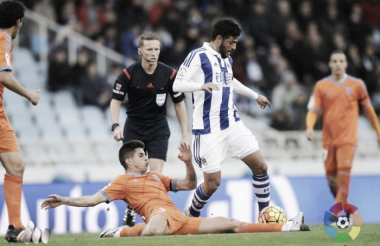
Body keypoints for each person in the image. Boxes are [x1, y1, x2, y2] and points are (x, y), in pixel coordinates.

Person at [41, 140, 309, 238]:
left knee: (229, 223)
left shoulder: (158, 177)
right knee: (154, 228)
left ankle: (287, 227)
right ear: (128, 161)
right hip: (157, 214)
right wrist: (63, 200)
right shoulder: (121, 182)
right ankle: (123, 232)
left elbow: (191, 184)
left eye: (146, 154)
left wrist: (188, 164)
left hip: (179, 218)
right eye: (141, 155)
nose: (147, 158)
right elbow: (91, 200)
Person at [172, 19, 272, 218]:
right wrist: (199, 86)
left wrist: (254, 95)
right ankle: (191, 215)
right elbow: (177, 84)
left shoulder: (226, 58)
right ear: (219, 39)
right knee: (212, 184)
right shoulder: (197, 56)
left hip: (232, 123)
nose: (234, 47)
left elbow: (229, 80)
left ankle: (266, 217)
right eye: (231, 42)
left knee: (260, 166)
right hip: (208, 130)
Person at [110, 33, 188, 225]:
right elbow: (115, 101)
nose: (154, 53)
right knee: (135, 174)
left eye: (157, 49)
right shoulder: (128, 74)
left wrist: (185, 134)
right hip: (134, 129)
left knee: (155, 173)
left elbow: (179, 104)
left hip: (158, 129)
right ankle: (131, 209)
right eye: (149, 49)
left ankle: (155, 213)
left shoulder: (170, 74)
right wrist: (116, 125)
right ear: (140, 51)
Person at [306, 50, 380, 207]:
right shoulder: (321, 86)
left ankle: (336, 213)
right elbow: (313, 110)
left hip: (347, 139)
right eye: (335, 61)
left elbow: (369, 111)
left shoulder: (357, 85)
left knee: (344, 175)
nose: (338, 64)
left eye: (341, 61)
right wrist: (309, 127)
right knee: (332, 180)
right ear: (330, 64)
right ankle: (346, 208)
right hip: (328, 140)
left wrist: (378, 132)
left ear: (346, 64)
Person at [0, 0, 40, 243]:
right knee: (15, 167)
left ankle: (15, 228)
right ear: (19, 22)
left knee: (16, 166)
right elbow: (3, 75)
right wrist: (29, 94)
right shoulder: (3, 38)